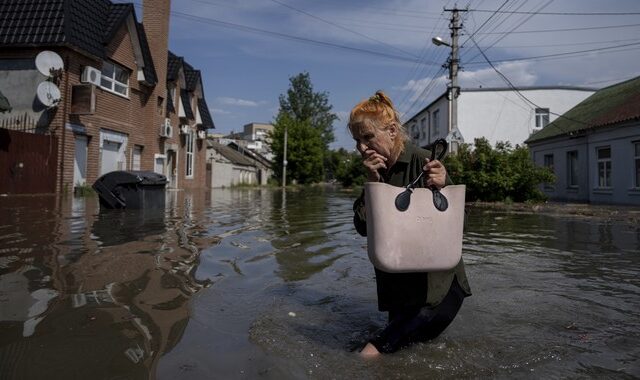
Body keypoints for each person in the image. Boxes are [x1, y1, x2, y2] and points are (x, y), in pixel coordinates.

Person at [348, 90, 472, 358]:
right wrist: (371, 182)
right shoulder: (377, 170)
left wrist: (443, 183)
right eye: (357, 140)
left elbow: (456, 225)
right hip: (401, 291)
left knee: (370, 354)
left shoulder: (421, 160)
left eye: (368, 137)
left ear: (392, 131)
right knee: (407, 357)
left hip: (436, 291)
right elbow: (362, 228)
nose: (361, 147)